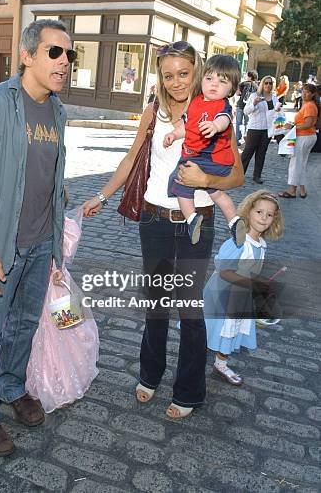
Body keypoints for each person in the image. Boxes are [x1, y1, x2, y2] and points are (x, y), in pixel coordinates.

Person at [82, 40, 244, 419]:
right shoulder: (153, 110)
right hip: (155, 218)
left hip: (197, 218)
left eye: (184, 74)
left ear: (198, 71)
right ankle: (150, 374)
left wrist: (204, 175)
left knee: (189, 308)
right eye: (168, 75)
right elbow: (132, 158)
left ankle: (189, 389)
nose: (176, 82)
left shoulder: (215, 111)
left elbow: (235, 173)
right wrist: (103, 196)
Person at [0, 19, 74, 456]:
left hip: (42, 241)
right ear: (27, 56)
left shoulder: (58, 109)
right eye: (54, 52)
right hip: (1, 246)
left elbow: (47, 173)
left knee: (24, 324)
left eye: (69, 54)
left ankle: (10, 386)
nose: (64, 62)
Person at [204, 191, 284, 385]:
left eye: (269, 214)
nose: (264, 217)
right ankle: (194, 360)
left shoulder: (261, 245)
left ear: (274, 220)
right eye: (259, 212)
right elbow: (224, 271)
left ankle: (220, 365)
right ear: (248, 213)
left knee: (231, 331)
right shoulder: (239, 242)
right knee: (214, 329)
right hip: (222, 295)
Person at [165, 54, 246, 246]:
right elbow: (189, 126)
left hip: (206, 158)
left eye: (222, 81)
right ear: (201, 79)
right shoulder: (196, 102)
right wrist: (174, 135)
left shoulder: (222, 105)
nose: (214, 84)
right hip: (213, 163)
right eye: (209, 78)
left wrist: (215, 126)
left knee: (179, 182)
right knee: (216, 193)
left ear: (232, 89)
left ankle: (192, 219)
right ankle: (234, 221)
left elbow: (224, 119)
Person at [26, 209, 99, 413]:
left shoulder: (65, 227)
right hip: (56, 285)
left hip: (56, 284)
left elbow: (64, 255)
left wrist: (58, 265)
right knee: (60, 330)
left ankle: (60, 378)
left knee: (67, 330)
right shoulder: (67, 226)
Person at [278, 83, 319, 199]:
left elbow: (308, 124)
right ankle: (301, 189)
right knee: (300, 163)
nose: (304, 94)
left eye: (307, 92)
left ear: (312, 94)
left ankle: (292, 190)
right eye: (303, 91)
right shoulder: (308, 104)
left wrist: (292, 127)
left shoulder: (310, 106)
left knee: (295, 163)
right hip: (306, 136)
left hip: (305, 136)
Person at [241, 76, 280, 184]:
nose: (268, 85)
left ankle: (257, 176)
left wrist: (278, 111)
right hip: (255, 128)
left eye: (270, 83)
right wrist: (254, 104)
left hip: (267, 129)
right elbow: (246, 111)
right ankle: (239, 174)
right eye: (266, 83)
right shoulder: (255, 96)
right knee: (248, 152)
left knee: (261, 153)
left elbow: (275, 114)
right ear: (262, 84)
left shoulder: (274, 98)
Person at [235, 70, 258, 145]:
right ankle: (247, 139)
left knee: (239, 123)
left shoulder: (243, 84)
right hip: (250, 107)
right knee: (247, 123)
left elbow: (238, 93)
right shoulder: (257, 86)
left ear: (250, 76)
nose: (245, 76)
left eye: (246, 75)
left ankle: (238, 140)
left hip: (241, 105)